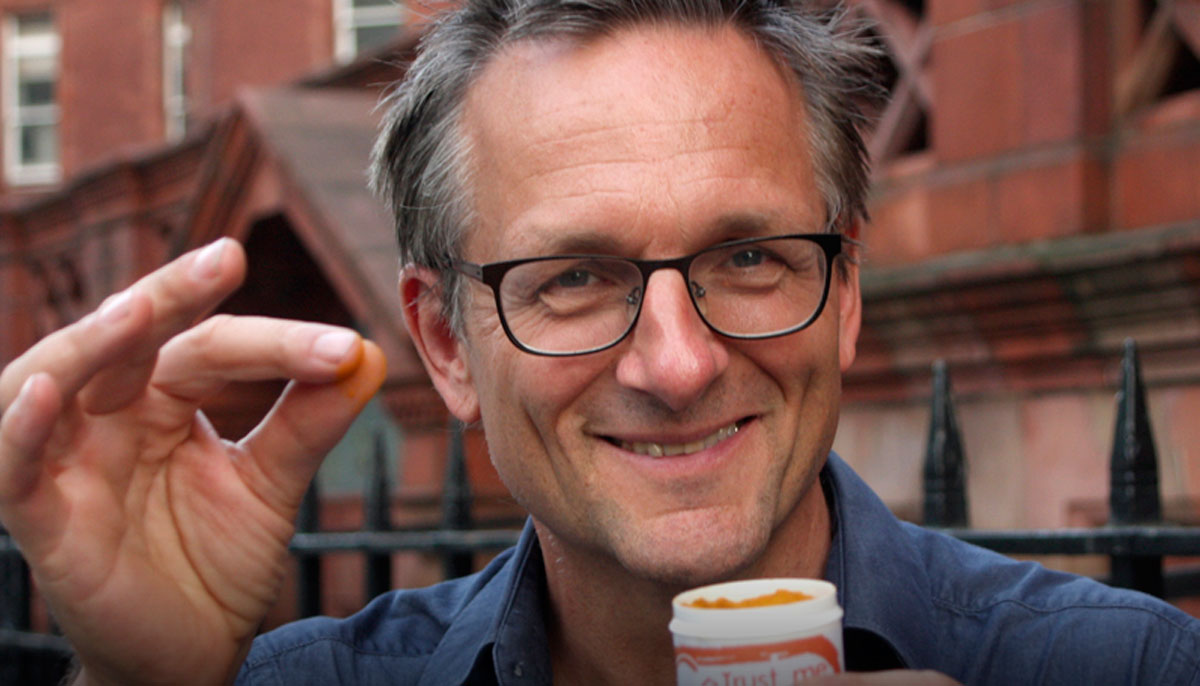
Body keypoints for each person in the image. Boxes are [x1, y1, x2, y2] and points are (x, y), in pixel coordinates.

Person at [1, 0, 1198, 684]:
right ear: (446, 342)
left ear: (843, 291)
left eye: (748, 257)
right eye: (574, 278)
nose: (677, 364)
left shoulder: (1121, 667)